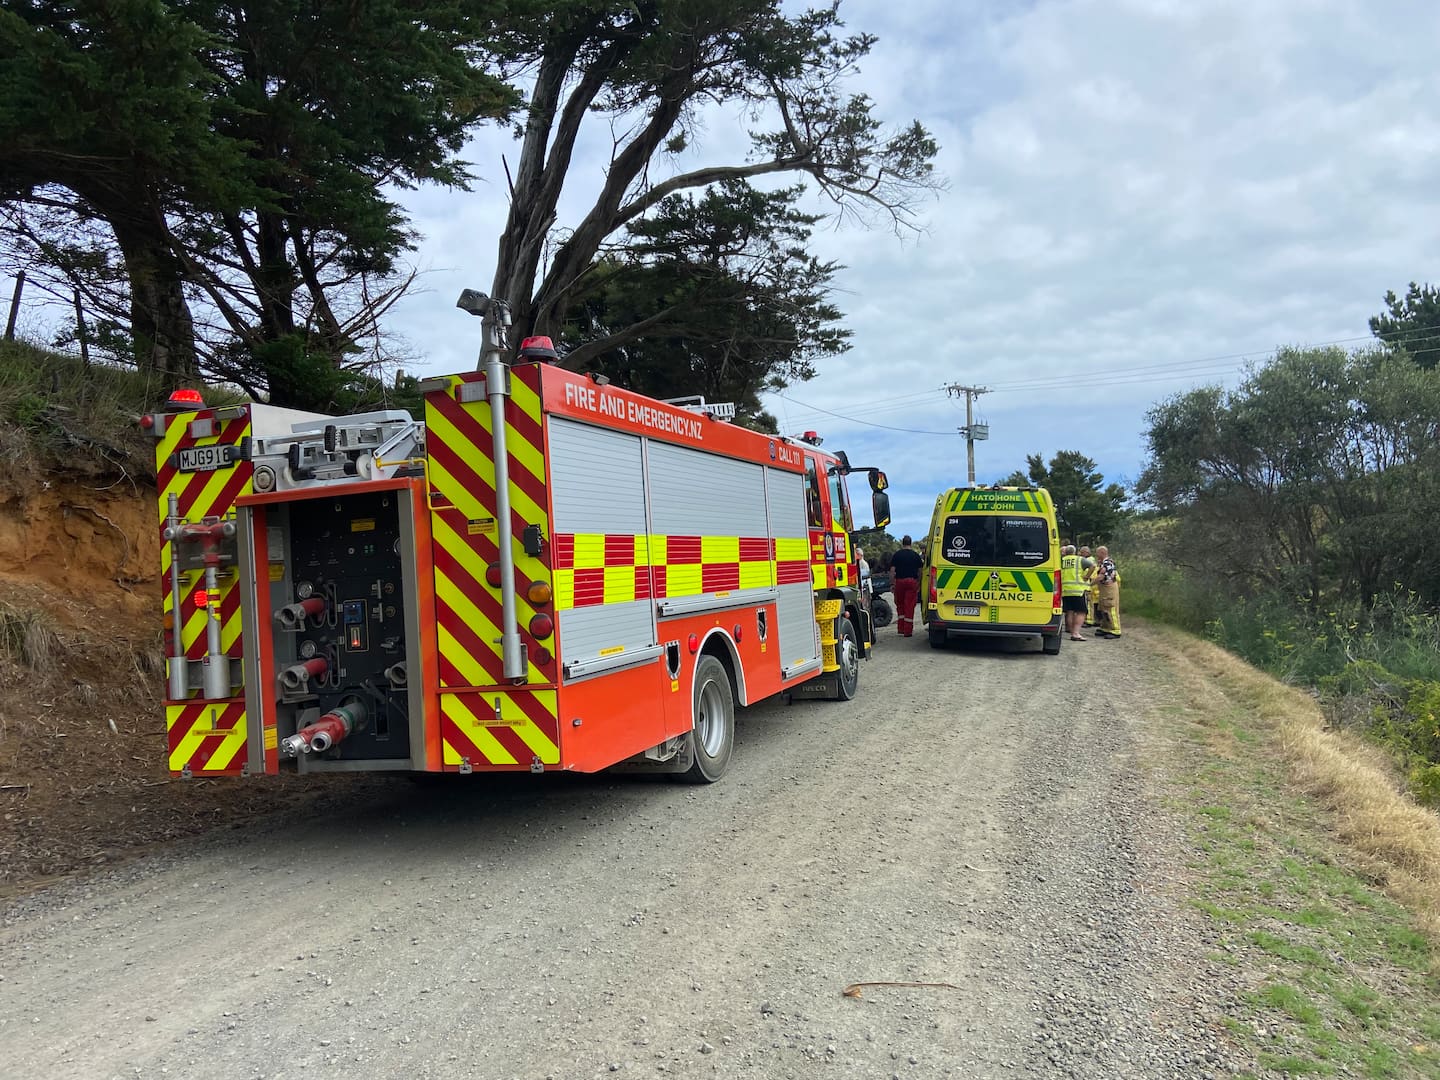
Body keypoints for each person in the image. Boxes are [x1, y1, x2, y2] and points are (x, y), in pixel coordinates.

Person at [889, 535, 924, 637]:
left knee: (900, 605)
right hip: (912, 582)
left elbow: (892, 571)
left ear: (902, 543)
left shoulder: (897, 555)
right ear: (911, 543)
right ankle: (908, 631)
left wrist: (892, 583)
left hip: (899, 581)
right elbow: (920, 571)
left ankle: (901, 629)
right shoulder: (916, 556)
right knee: (909, 605)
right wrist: (919, 582)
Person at [1059, 544, 1088, 640]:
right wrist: (1087, 576)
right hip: (1077, 590)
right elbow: (1092, 566)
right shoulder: (1079, 559)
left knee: (1069, 611)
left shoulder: (1061, 560)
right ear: (1074, 552)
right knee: (1081, 611)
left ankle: (1070, 630)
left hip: (1065, 590)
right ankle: (1075, 633)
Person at [1093, 545, 1121, 638]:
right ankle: (1105, 627)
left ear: (1102, 553)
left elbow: (1101, 576)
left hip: (1109, 589)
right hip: (1104, 589)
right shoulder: (1102, 563)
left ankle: (1115, 630)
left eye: (1097, 553)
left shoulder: (1107, 563)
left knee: (1110, 608)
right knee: (1103, 608)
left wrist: (1090, 584)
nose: (1096, 555)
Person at [1079, 545, 1097, 626]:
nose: (1080, 554)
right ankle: (1089, 619)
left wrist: (1085, 577)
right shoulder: (1091, 559)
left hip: (1089, 584)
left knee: (1089, 604)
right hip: (1090, 583)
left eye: (1082, 552)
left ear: (1086, 552)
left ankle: (1089, 620)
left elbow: (1087, 572)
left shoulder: (1088, 560)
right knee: (1089, 603)